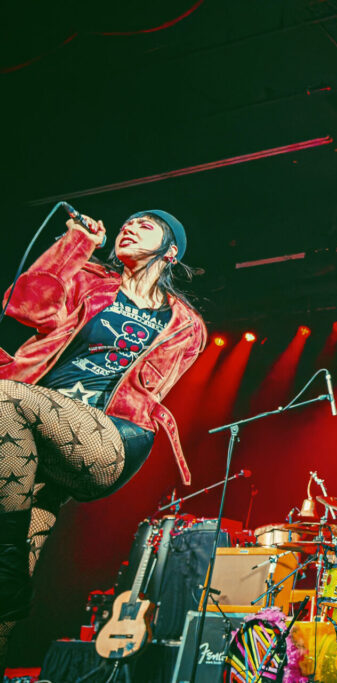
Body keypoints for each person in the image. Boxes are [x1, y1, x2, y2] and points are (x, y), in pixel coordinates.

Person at [0, 210, 206, 663]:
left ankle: (7, 562)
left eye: (145, 225)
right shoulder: (89, 280)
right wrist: (75, 244)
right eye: (127, 223)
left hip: (110, 437)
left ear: (171, 251)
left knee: (4, 396)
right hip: (31, 435)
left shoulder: (185, 325)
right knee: (4, 593)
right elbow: (25, 306)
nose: (129, 227)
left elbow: (149, 393)